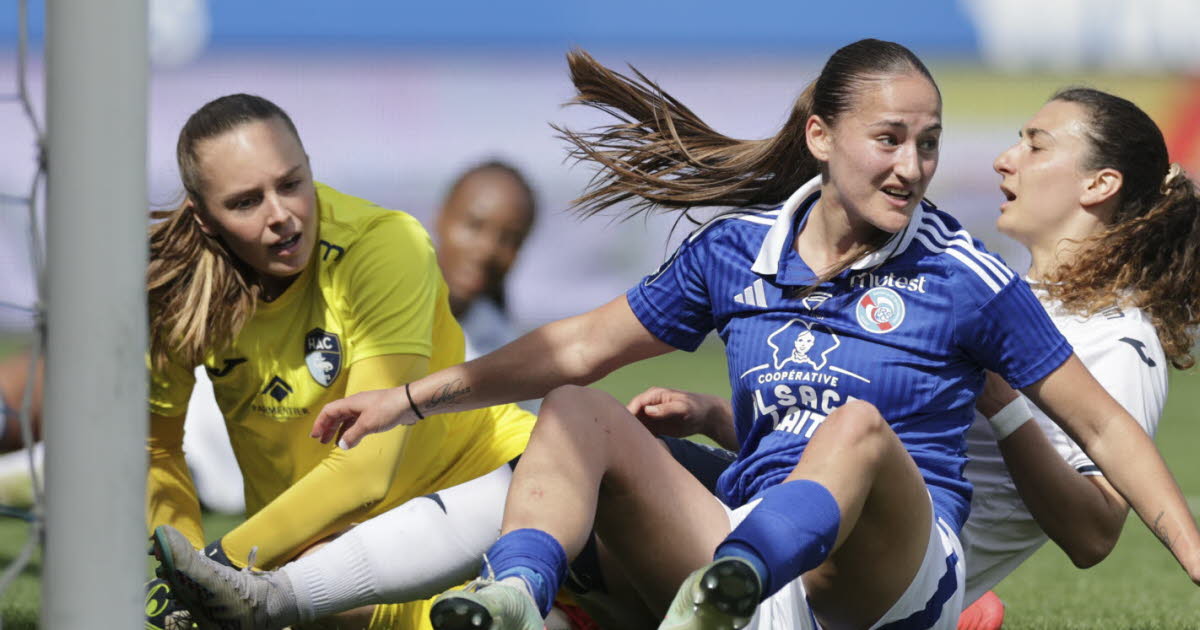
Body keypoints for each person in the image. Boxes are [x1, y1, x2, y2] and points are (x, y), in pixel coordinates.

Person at [298, 42, 1200, 630]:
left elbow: (1090, 524)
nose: (997, 159)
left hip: (891, 581)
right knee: (573, 427)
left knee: (848, 431)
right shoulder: (773, 253)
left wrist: (998, 391)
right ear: (822, 138)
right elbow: (579, 348)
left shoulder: (1085, 328)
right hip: (781, 521)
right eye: (895, 138)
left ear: (1098, 186)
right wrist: (718, 412)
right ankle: (287, 592)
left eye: (1035, 144)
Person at [141, 93, 534, 630]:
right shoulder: (177, 289)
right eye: (245, 202)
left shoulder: (385, 245)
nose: (280, 215)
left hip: (488, 503)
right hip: (309, 553)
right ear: (204, 218)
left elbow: (366, 468)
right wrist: (178, 572)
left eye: (291, 183)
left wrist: (216, 568)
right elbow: (154, 446)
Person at [434, 160, 537, 360]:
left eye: (509, 238)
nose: (487, 250)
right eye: (474, 226)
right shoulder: (376, 310)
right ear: (440, 217)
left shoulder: (503, 351)